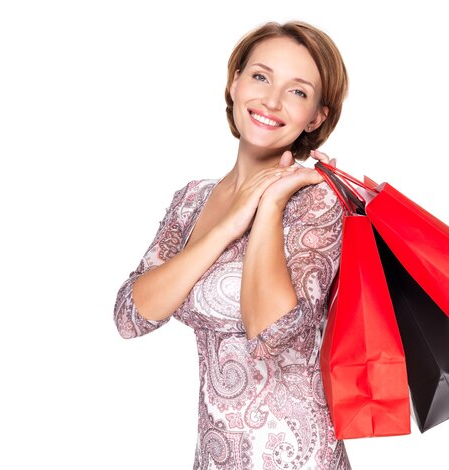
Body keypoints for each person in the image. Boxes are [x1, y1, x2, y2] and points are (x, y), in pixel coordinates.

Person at [114, 20, 351, 469]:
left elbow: (273, 332)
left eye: (298, 91)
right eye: (261, 76)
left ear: (317, 116)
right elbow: (130, 316)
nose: (272, 101)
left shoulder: (317, 200)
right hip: (215, 455)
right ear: (235, 82)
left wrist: (269, 207)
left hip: (300, 457)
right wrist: (227, 224)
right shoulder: (192, 200)